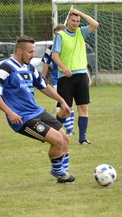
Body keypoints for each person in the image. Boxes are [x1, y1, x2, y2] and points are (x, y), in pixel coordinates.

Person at [0, 35, 75, 184]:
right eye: (30, 52)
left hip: (37, 111)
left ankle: (63, 178)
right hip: (22, 118)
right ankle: (57, 171)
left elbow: (43, 86)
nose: (33, 55)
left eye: (34, 52)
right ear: (19, 51)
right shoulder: (5, 67)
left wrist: (62, 101)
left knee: (65, 139)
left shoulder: (29, 68)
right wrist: (10, 112)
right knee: (58, 140)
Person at [51, 8, 99, 145]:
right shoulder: (60, 35)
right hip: (65, 78)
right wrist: (64, 67)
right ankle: (54, 132)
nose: (75, 23)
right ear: (67, 21)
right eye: (73, 20)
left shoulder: (81, 32)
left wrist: (80, 13)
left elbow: (95, 25)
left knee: (83, 108)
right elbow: (55, 56)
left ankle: (82, 139)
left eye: (78, 21)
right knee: (65, 110)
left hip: (81, 76)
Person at [41, 24, 75, 136]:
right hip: (59, 80)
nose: (57, 37)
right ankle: (67, 130)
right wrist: (42, 78)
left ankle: (69, 129)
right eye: (56, 35)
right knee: (62, 104)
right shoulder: (51, 48)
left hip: (74, 79)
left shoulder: (71, 46)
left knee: (69, 105)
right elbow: (46, 63)